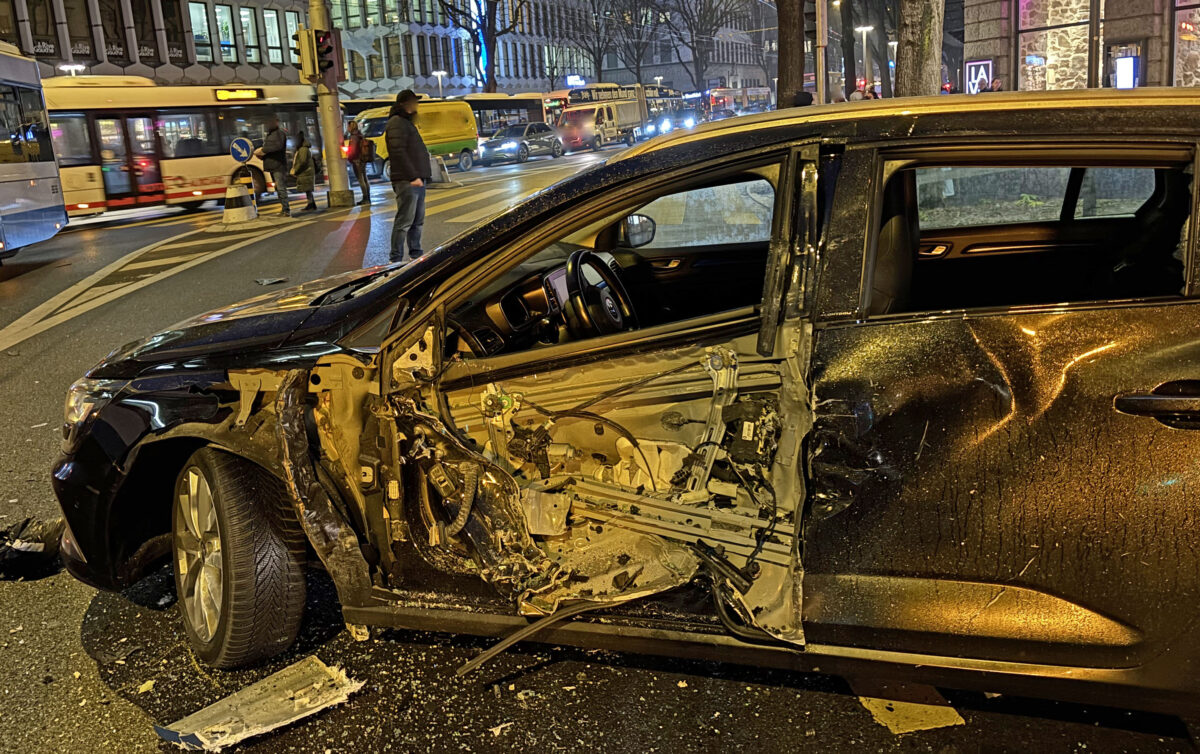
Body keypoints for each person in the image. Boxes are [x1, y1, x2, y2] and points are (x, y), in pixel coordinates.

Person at [385, 89, 431, 263]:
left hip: (415, 178)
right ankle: (395, 259)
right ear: (404, 104)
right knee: (405, 221)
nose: (416, 105)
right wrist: (413, 176)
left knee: (417, 220)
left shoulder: (405, 122)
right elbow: (399, 152)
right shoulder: (397, 122)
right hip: (407, 180)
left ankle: (416, 254)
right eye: (414, 102)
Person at [256, 115, 290, 216]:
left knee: (280, 188)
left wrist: (262, 151)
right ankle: (284, 209)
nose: (267, 124)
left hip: (278, 165)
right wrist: (263, 156)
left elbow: (276, 147)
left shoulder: (279, 134)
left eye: (270, 122)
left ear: (276, 122)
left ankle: (286, 210)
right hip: (272, 165)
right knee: (278, 188)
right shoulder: (270, 134)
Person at [345, 120, 371, 205]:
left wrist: (349, 158)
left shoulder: (353, 137)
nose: (347, 128)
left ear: (350, 127)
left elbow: (353, 151)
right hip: (363, 159)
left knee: (361, 179)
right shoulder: (360, 135)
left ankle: (365, 198)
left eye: (348, 126)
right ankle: (368, 197)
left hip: (357, 160)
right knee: (365, 178)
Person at [290, 130, 317, 211]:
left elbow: (302, 161)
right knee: (307, 189)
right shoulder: (303, 148)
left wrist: (296, 170)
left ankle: (311, 204)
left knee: (307, 188)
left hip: (306, 171)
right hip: (306, 171)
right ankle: (311, 204)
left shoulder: (303, 149)